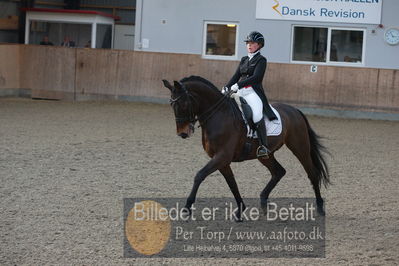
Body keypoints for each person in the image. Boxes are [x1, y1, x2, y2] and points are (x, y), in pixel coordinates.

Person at [223, 31, 277, 158]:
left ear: (259, 45)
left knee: (257, 114)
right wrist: (227, 86)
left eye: (252, 43)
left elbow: (257, 77)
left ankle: (264, 146)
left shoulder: (261, 60)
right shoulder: (244, 59)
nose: (249, 45)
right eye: (248, 43)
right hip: (240, 91)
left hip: (253, 92)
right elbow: (236, 76)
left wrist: (239, 85)